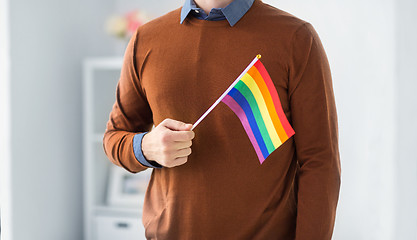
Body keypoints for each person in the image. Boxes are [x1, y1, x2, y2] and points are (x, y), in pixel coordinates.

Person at [103, 0, 341, 239]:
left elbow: (320, 161)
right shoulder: (146, 38)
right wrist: (147, 147)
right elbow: (114, 138)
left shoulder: (296, 38)